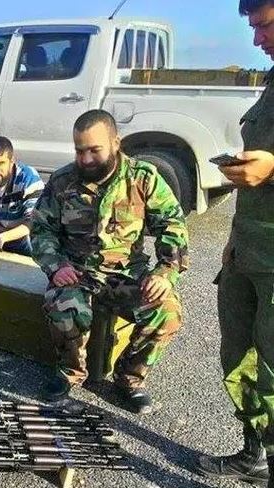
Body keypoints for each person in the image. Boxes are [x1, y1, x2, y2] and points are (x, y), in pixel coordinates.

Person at [31, 109, 189, 414]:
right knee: (63, 304)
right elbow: (41, 229)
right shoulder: (63, 181)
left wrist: (165, 271)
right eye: (79, 151)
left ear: (116, 143)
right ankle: (69, 372)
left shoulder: (143, 178)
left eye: (94, 150)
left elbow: (172, 225)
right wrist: (56, 265)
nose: (86, 159)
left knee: (167, 311)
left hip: (127, 273)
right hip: (78, 272)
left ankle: (129, 379)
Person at [196, 1, 274, 485]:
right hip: (248, 250)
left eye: (265, 25)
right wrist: (231, 238)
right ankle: (254, 453)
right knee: (239, 359)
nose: (257, 39)